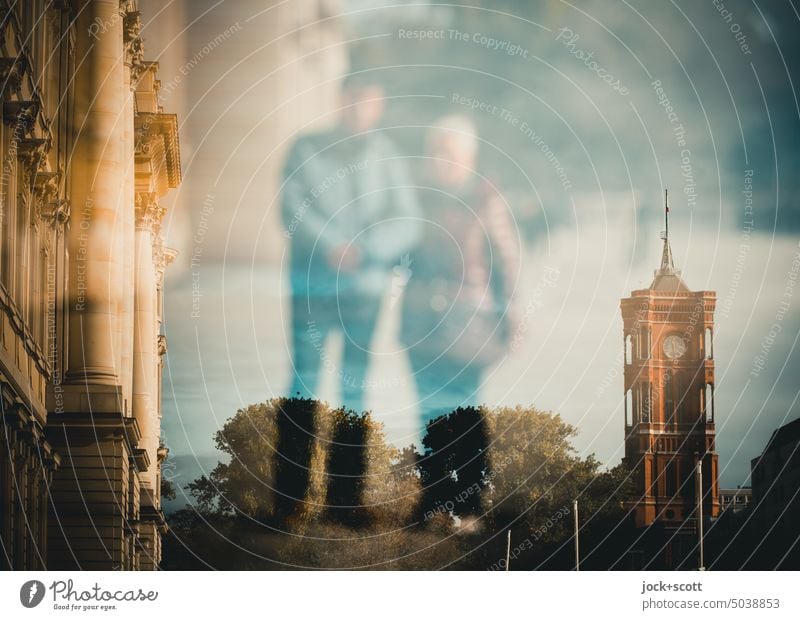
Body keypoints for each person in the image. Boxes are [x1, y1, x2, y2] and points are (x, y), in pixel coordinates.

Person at [281, 73, 420, 412]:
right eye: (353, 99)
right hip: (311, 286)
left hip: (364, 291)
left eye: (368, 102)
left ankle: (348, 462)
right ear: (340, 101)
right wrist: (332, 246)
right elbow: (292, 207)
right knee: (304, 380)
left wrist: (366, 250)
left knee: (355, 385)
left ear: (379, 107)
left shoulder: (390, 158)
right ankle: (295, 461)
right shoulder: (306, 148)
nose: (359, 109)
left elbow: (408, 221)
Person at [401, 115, 521, 429]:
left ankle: (467, 478)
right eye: (435, 152)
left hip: (470, 325)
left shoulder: (486, 200)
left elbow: (506, 264)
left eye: (449, 154)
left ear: (469, 158)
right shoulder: (414, 198)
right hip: (420, 323)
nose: (440, 161)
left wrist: (511, 318)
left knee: (465, 417)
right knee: (428, 416)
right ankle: (434, 477)